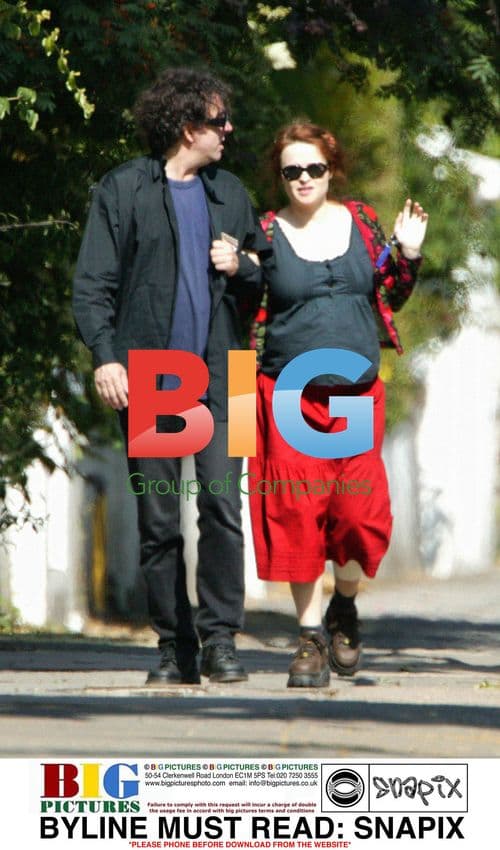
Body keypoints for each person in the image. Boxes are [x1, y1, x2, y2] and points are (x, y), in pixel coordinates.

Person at [73, 67, 269, 685]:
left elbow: (267, 279)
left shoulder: (232, 192)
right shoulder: (124, 189)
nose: (229, 130)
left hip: (226, 372)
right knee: (160, 519)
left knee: (221, 508)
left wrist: (241, 264)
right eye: (219, 121)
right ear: (188, 128)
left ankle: (220, 642)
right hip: (155, 374)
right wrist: (105, 355)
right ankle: (173, 647)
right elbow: (93, 285)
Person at [248, 121, 428, 687]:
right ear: (280, 177)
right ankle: (308, 639)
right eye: (291, 170)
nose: (303, 179)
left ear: (333, 169)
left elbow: (390, 292)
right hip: (287, 394)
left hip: (353, 397)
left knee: (358, 514)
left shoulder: (364, 223)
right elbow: (242, 316)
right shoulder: (265, 234)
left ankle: (344, 606)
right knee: (296, 513)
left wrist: (408, 252)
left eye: (314, 168)